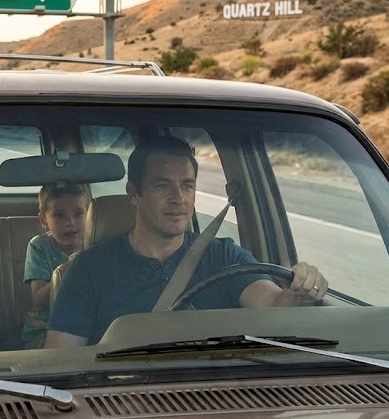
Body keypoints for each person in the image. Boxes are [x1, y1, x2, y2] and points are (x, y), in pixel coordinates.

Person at [46, 135, 329, 348]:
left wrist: (299, 292)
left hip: (218, 404)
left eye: (187, 185)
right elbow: (61, 362)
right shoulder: (88, 270)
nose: (178, 198)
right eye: (162, 185)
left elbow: (272, 304)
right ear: (133, 194)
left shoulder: (227, 258)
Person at [20, 183, 90, 349]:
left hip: (86, 326)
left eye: (78, 213)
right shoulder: (40, 246)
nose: (70, 222)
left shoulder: (96, 245)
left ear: (90, 215)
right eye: (59, 215)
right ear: (44, 220)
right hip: (44, 330)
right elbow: (38, 299)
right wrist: (69, 267)